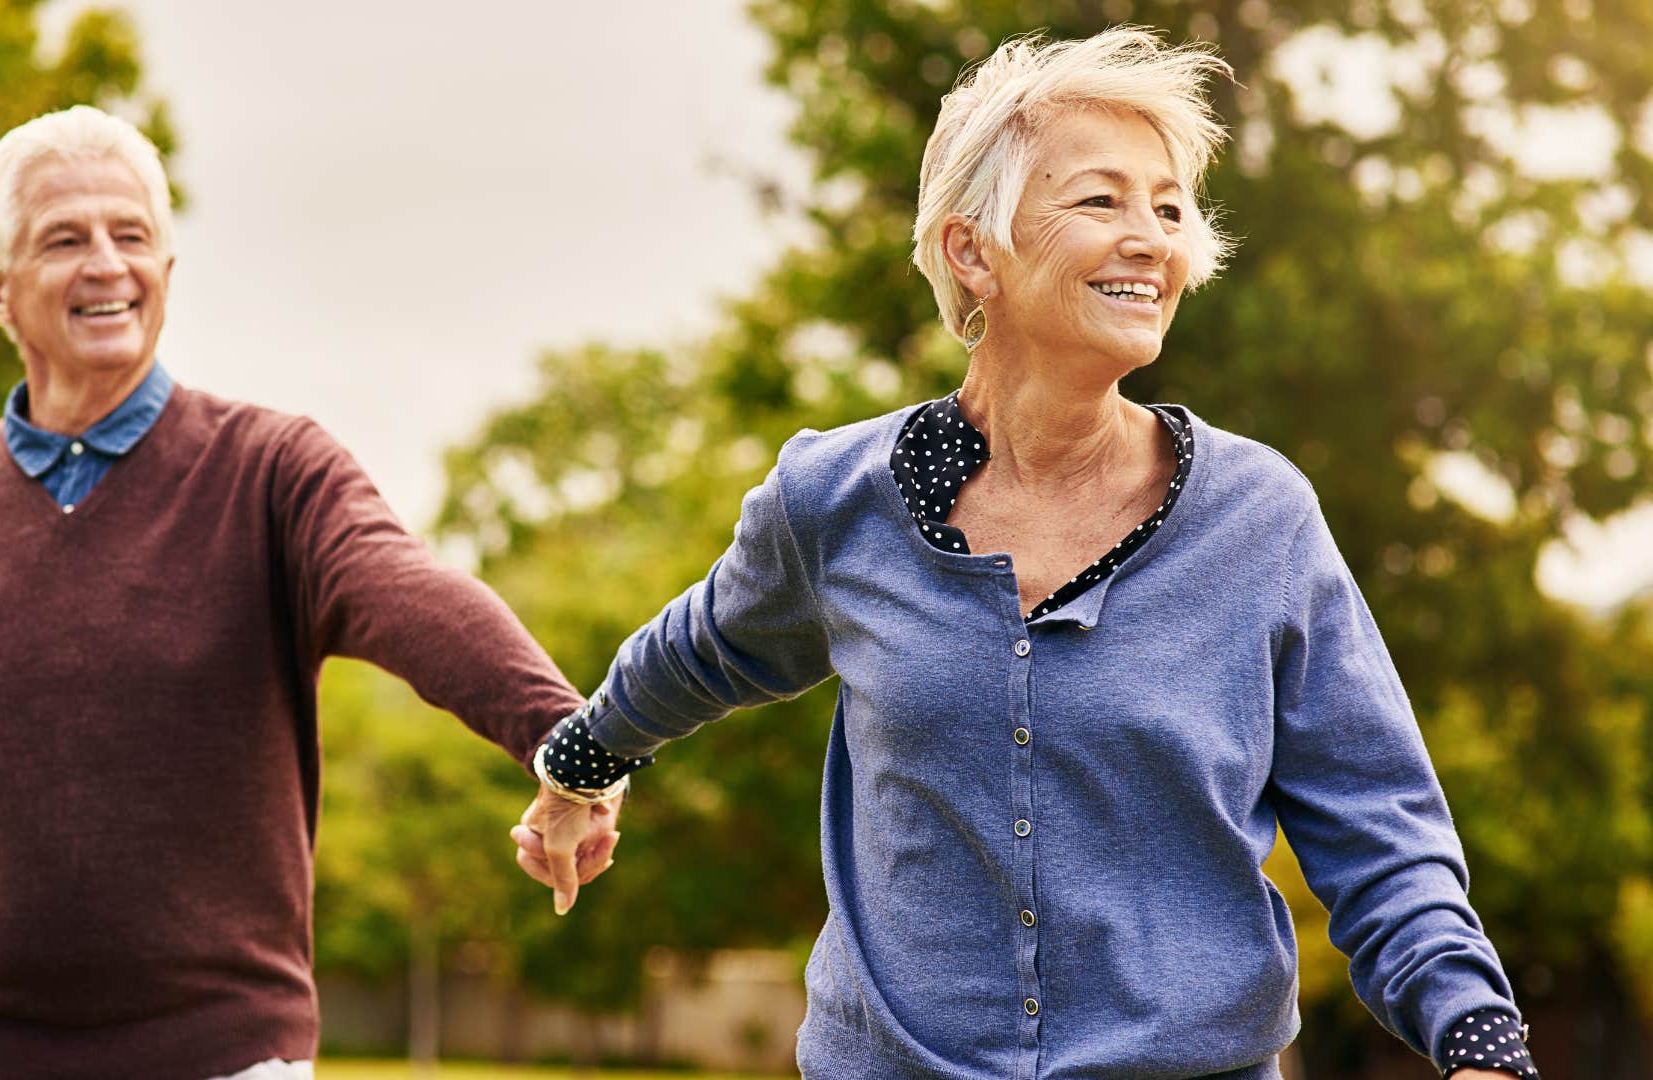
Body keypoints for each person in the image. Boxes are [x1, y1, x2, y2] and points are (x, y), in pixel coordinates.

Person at [513, 28, 1535, 1080]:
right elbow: (702, 650)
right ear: (971, 251)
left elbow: (1380, 829)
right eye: (1101, 201)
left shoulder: (1259, 520)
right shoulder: (836, 504)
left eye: (1170, 208)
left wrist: (1478, 1042)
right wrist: (580, 769)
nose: (1150, 238)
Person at [0, 104, 618, 1080]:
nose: (107, 263)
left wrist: (578, 745)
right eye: (65, 238)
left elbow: (407, 593)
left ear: (167, 273)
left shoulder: (274, 473)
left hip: (223, 1059)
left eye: (132, 234)